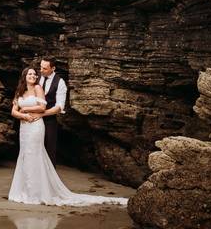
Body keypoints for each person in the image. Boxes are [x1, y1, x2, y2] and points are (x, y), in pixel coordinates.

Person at [7, 66, 127, 207]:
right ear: (24, 76)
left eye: (35, 74)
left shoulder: (38, 88)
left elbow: (42, 108)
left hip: (35, 126)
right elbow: (13, 111)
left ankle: (37, 192)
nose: (33, 76)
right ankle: (25, 190)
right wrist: (23, 116)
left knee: (35, 155)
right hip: (24, 127)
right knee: (25, 156)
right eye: (30, 74)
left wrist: (26, 109)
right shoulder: (19, 91)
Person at [38, 57, 65, 165]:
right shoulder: (36, 76)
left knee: (49, 149)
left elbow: (59, 107)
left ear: (53, 68)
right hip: (33, 119)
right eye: (40, 67)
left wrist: (41, 114)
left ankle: (48, 179)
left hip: (49, 120)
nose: (41, 70)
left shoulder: (60, 82)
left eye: (44, 68)